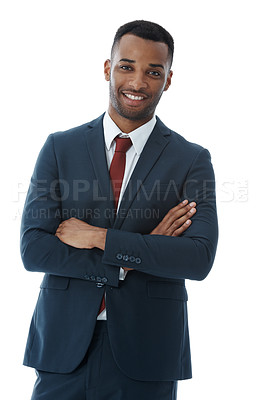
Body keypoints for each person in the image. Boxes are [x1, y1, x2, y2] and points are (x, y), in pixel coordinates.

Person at [20, 20, 218, 400]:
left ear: (168, 79)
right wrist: (132, 258)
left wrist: (98, 238)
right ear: (108, 68)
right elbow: (34, 249)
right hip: (64, 347)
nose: (138, 82)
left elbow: (197, 257)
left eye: (153, 71)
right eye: (127, 66)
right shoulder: (60, 148)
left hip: (149, 350)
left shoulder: (191, 160)